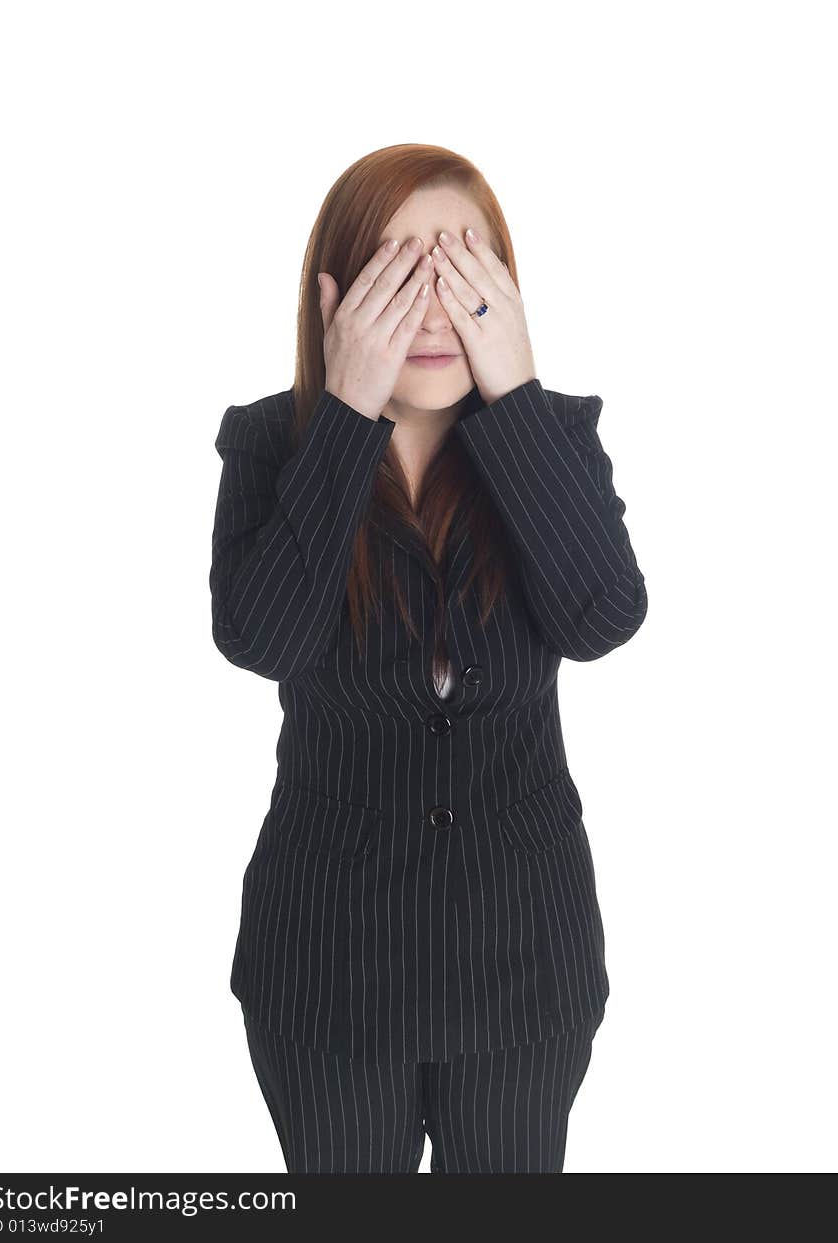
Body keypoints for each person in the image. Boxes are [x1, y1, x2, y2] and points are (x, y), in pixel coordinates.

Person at [209, 143, 648, 1173]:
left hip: (523, 967)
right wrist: (350, 416)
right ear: (337, 292)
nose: (436, 305)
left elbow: (600, 616)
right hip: (327, 969)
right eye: (401, 274)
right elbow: (262, 638)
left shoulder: (556, 439)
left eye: (463, 268)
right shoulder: (272, 443)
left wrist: (519, 395)